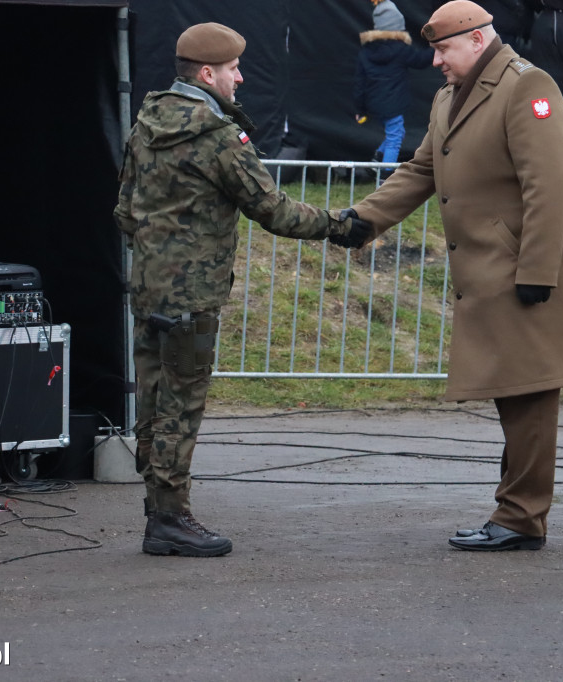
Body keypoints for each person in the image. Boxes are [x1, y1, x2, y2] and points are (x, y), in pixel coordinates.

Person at [113, 22, 371, 558]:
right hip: (193, 298)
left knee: (154, 403)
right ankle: (169, 520)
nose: (241, 78)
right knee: (181, 408)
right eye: (233, 70)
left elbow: (124, 210)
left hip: (148, 290)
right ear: (207, 73)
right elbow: (272, 210)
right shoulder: (216, 136)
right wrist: (340, 225)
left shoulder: (147, 122)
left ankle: (158, 510)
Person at [339, 1, 563, 551]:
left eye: (444, 49)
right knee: (511, 392)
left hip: (526, 265)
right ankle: (515, 509)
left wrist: (538, 271)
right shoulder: (451, 94)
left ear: (477, 40)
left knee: (529, 396)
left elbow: (547, 186)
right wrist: (363, 220)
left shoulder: (528, 85)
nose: (435, 62)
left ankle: (521, 518)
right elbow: (424, 168)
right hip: (490, 266)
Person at [353, 0, 434, 169]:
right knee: (395, 138)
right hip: (393, 104)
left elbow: (360, 83)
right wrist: (436, 47)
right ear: (397, 26)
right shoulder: (400, 49)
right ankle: (385, 175)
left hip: (373, 104)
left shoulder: (366, 51)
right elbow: (420, 61)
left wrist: (360, 110)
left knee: (396, 134)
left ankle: (377, 160)